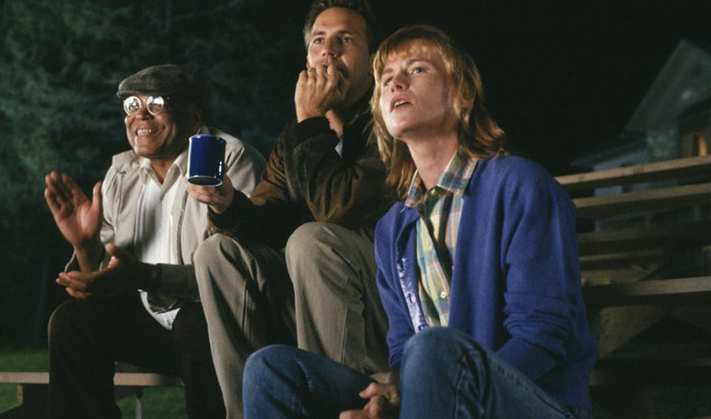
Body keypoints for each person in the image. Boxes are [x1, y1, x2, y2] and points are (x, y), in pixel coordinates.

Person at [242, 25, 598, 418]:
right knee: (272, 367)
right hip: (431, 399)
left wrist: (445, 377)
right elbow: (401, 347)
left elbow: (542, 336)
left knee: (433, 348)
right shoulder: (394, 227)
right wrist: (391, 398)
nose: (396, 83)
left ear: (462, 93)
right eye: (386, 80)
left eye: (416, 70)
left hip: (532, 402)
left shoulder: (520, 185)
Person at [186, 0, 393, 419]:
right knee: (216, 252)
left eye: (345, 40)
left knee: (313, 239)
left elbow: (337, 211)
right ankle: (248, 411)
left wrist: (312, 124)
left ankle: (333, 407)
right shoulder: (294, 139)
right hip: (309, 303)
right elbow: (268, 219)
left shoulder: (389, 123)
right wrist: (227, 204)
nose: (328, 52)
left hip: (381, 304)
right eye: (318, 41)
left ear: (372, 57)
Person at [43, 64, 265, 419]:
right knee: (71, 323)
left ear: (195, 118)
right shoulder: (121, 173)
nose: (140, 116)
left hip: (217, 323)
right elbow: (110, 279)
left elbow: (239, 274)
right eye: (132, 106)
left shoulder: (229, 159)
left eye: (156, 104)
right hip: (152, 320)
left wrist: (148, 277)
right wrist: (86, 247)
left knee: (195, 325)